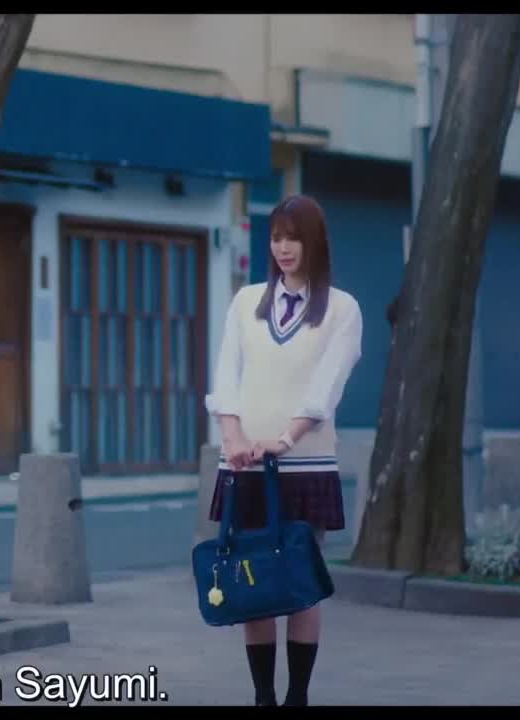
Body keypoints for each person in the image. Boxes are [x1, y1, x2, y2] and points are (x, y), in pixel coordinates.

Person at [204, 194, 363, 707]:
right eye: (276, 237)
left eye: (294, 237)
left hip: (304, 464)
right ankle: (262, 697)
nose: (284, 248)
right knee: (251, 580)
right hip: (245, 465)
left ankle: (297, 696)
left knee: (298, 583)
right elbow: (226, 375)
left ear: (314, 242)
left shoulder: (341, 308)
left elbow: (327, 384)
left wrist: (286, 438)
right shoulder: (246, 302)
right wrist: (233, 438)